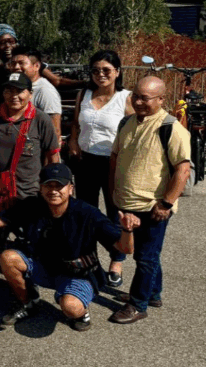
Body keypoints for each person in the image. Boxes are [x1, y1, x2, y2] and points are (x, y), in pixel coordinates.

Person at [0, 164, 138, 332]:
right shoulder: (32, 205)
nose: (53, 190)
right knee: (8, 257)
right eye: (48, 185)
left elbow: (125, 249)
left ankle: (80, 314)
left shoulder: (87, 214)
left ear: (71, 188)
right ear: (41, 188)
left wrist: (127, 230)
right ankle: (28, 303)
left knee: (70, 307)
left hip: (78, 274)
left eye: (59, 186)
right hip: (45, 266)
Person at [109, 76, 192, 324]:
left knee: (145, 256)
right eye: (135, 95)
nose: (138, 101)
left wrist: (166, 203)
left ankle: (138, 304)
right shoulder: (127, 122)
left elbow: (183, 169)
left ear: (161, 99)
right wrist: (114, 191)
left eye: (145, 98)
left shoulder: (171, 128)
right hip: (126, 201)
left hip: (153, 206)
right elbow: (115, 156)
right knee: (148, 255)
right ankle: (153, 294)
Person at [0, 71, 60, 277]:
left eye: (20, 91)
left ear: (30, 93)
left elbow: (53, 157)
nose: (14, 96)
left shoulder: (41, 119)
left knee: (28, 238)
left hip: (28, 194)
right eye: (9, 91)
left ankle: (24, 278)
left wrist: (54, 190)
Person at [68, 50, 133, 288]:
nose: (100, 75)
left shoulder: (126, 98)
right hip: (85, 161)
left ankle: (117, 260)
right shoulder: (84, 94)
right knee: (86, 212)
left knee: (114, 214)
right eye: (95, 70)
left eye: (106, 70)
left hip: (112, 163)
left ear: (117, 72)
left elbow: (135, 131)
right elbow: (75, 124)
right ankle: (89, 258)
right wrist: (73, 141)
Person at [9, 47, 62, 138]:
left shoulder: (45, 90)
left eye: (21, 63)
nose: (16, 67)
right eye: (13, 64)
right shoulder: (13, 87)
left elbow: (54, 131)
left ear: (36, 66)